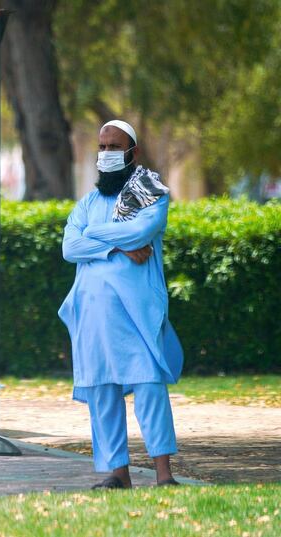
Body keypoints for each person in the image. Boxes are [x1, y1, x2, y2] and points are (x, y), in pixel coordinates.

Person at [58, 120, 184, 489]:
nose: (107, 154)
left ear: (133, 153)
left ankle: (164, 474)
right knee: (103, 391)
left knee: (149, 387)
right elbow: (69, 248)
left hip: (137, 312)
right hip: (93, 316)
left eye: (115, 147)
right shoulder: (87, 204)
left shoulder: (151, 195)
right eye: (102, 147)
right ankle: (118, 474)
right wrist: (117, 247)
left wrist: (94, 236)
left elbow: (141, 231)